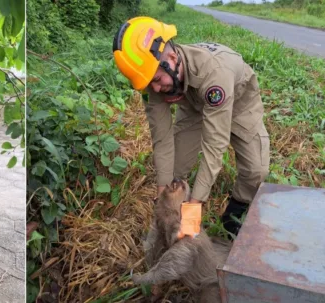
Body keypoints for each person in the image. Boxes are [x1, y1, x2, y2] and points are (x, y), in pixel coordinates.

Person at [112, 16, 270, 238]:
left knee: (256, 170)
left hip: (239, 103)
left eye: (157, 80)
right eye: (149, 85)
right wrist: (163, 198)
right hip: (192, 102)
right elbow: (162, 138)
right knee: (175, 168)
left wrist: (195, 207)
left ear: (172, 58)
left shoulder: (214, 74)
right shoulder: (154, 81)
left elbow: (215, 145)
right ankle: (174, 223)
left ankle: (233, 215)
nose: (156, 89)